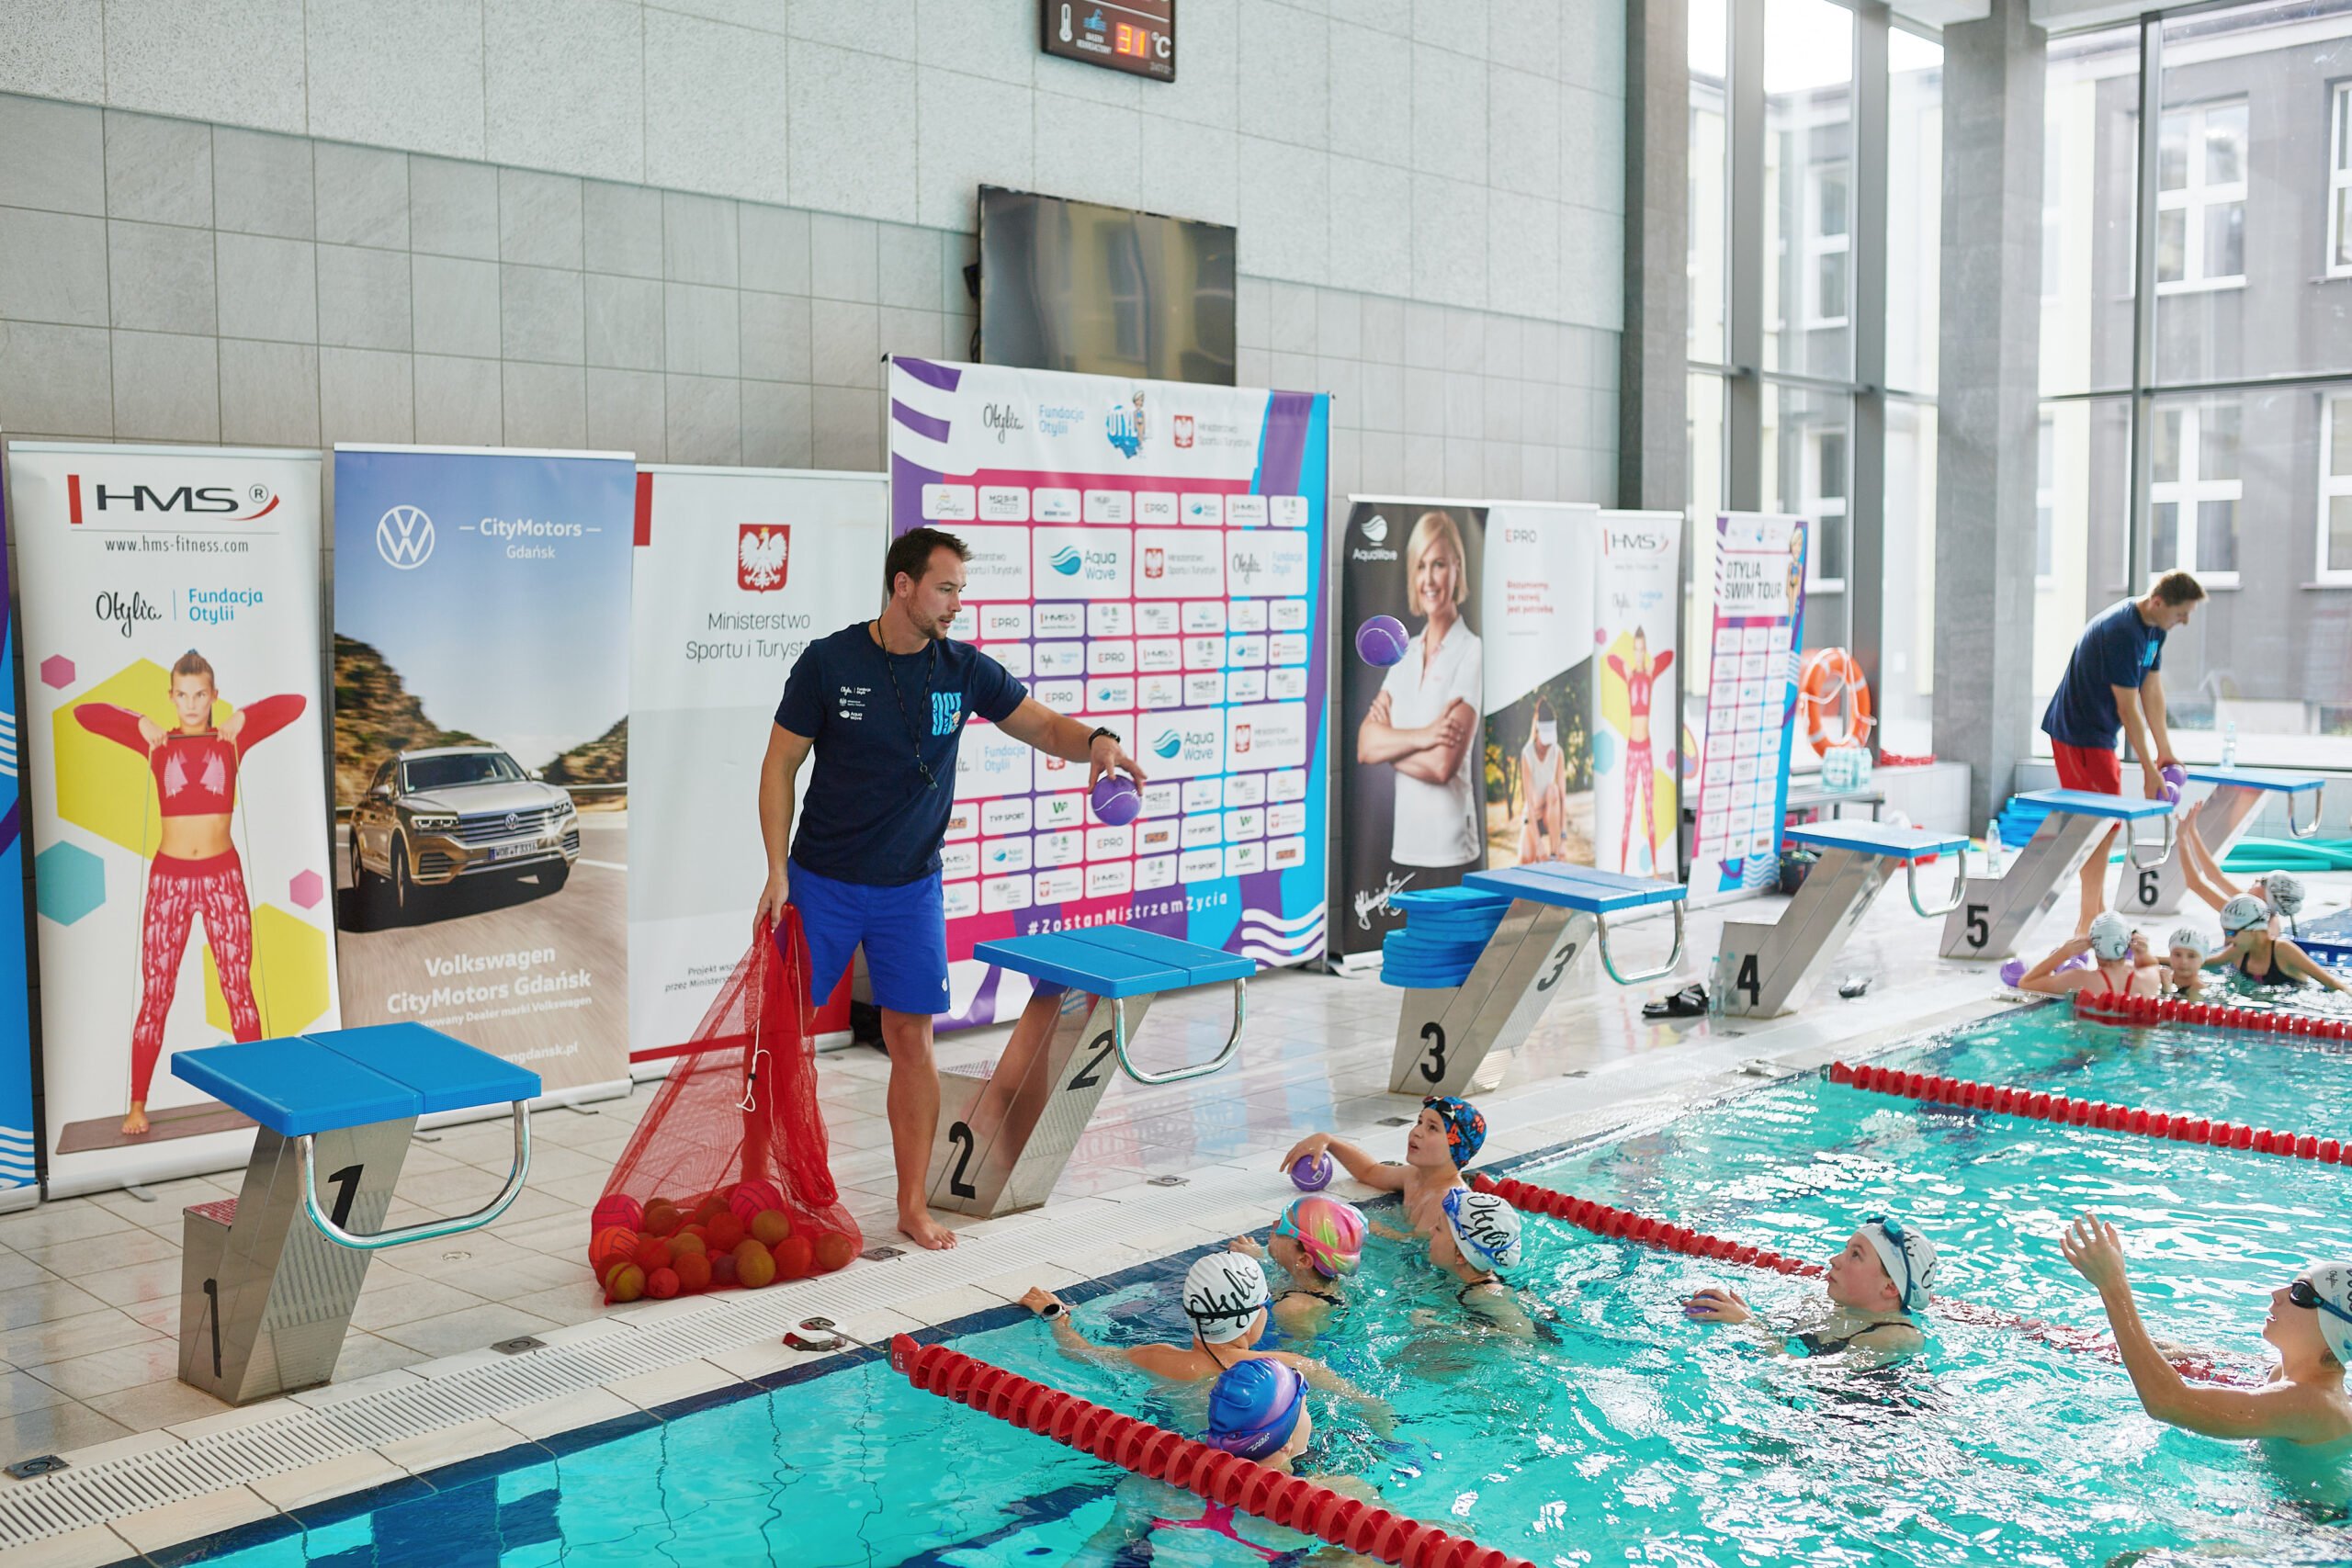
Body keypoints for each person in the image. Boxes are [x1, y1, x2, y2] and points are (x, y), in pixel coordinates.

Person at [757, 527, 1146, 1250]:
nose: (956, 603)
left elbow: (1043, 726)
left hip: (910, 889)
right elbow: (780, 764)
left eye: (961, 589)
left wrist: (1097, 740)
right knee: (781, 1036)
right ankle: (761, 1183)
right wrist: (777, 870)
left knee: (912, 1038)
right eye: (945, 587)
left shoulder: (963, 670)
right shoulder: (829, 662)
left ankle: (911, 1203)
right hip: (822, 881)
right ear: (903, 585)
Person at [74, 652, 303, 1138]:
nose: (193, 704)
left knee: (237, 988)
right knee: (156, 993)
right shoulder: (157, 744)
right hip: (170, 881)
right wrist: (138, 723)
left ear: (214, 696)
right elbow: (84, 714)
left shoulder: (231, 740)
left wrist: (245, 718)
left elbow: (296, 704)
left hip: (222, 877)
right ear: (172, 697)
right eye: (183, 695)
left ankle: (261, 1097)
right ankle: (137, 1103)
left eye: (201, 694)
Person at [2059, 1213, 2352, 1447]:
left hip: (2298, 1508)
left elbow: (2169, 1404)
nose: (2277, 1293)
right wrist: (2195, 1354)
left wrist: (2112, 1286)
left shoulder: (2310, 1404)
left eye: (2300, 1293)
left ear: (2333, 1330)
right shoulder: (2293, 1378)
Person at [1069, 1361, 1382, 1567]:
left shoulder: (1154, 1480)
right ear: (1287, 1444)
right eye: (1305, 1409)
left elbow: (1097, 1551)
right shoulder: (1332, 1496)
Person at [1017, 1254, 1386, 1427]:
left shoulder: (1155, 1357)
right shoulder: (1291, 1366)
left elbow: (1079, 1352)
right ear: (1253, 1316)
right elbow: (1373, 1408)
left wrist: (1056, 1315)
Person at [2040, 571, 2205, 936]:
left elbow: (2152, 691)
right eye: (2181, 613)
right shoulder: (2122, 631)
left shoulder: (2154, 629)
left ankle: (2095, 914)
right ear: (2158, 602)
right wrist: (2149, 770)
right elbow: (2128, 709)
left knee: (2106, 823)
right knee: (2098, 823)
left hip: (2099, 736)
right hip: (2078, 735)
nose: (2185, 621)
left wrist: (2165, 753)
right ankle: (2088, 920)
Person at [1355, 511, 1483, 868]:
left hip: (1453, 849)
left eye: (1438, 564)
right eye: (1421, 566)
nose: (1428, 579)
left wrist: (1390, 747)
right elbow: (1365, 745)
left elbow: (1443, 765)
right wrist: (1426, 735)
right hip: (1404, 847)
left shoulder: (1472, 650)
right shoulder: (1405, 652)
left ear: (1457, 568)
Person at [1682, 1214, 1937, 1364]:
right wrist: (1731, 1313)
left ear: (1890, 1286)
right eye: (1845, 1249)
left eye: (1855, 1255)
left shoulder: (1897, 1337)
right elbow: (1766, 1335)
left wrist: (1748, 1325)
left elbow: (1809, 1377)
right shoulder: (1817, 1305)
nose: (1834, 1260)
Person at [1280, 1096, 1487, 1246]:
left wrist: (1369, 1227)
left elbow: (1417, 1247)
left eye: (1432, 1128)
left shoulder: (1448, 1201)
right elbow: (1369, 1171)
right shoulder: (1414, 1176)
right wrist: (1329, 1140)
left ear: (1456, 1147)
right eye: (1419, 1122)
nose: (1417, 1132)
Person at [1229, 1196, 1367, 1338]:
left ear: (1303, 1260)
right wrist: (1256, 1258)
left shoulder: (1293, 1308)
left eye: (1282, 1226)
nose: (1274, 1224)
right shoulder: (1328, 1280)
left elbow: (1298, 1351)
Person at [1606, 628, 1675, 874]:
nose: (1638, 653)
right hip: (1632, 749)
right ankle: (1622, 870)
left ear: (1645, 651)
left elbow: (1670, 656)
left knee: (1649, 809)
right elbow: (1610, 660)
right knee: (1628, 811)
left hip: (1646, 748)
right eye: (1635, 649)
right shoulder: (1630, 677)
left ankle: (1655, 868)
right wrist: (1625, 667)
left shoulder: (1649, 675)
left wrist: (1652, 664)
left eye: (1641, 649)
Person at [1430, 1187, 1534, 1337]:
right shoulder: (1462, 1276)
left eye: (1438, 1229)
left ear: (1460, 1255)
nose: (1431, 1230)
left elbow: (1525, 1335)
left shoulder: (1485, 1295)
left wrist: (1441, 1328)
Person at [2205, 895, 2347, 994]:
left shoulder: (2283, 950)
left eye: (2231, 933)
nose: (2227, 940)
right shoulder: (2237, 951)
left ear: (2253, 931)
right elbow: (2204, 964)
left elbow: (2332, 983)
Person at [2017, 912, 2163, 1000]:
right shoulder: (2148, 978)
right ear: (2127, 943)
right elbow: (2152, 965)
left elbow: (2026, 982)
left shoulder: (2078, 980)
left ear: (2093, 943)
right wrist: (2143, 953)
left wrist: (2063, 953)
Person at [1513, 696, 1569, 865]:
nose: (1547, 746)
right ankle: (1540, 853)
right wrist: (1538, 845)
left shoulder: (1557, 752)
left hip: (1550, 813)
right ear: (1537, 731)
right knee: (1525, 860)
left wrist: (1563, 838)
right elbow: (1530, 804)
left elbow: (1562, 797)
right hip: (1533, 817)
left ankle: (1554, 855)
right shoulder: (1527, 754)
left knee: (1554, 791)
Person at [2163, 926, 2211, 998]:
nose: (2183, 961)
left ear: (2202, 960)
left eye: (2191, 956)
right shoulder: (2163, 978)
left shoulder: (2199, 990)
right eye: (2177, 955)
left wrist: (2167, 991)